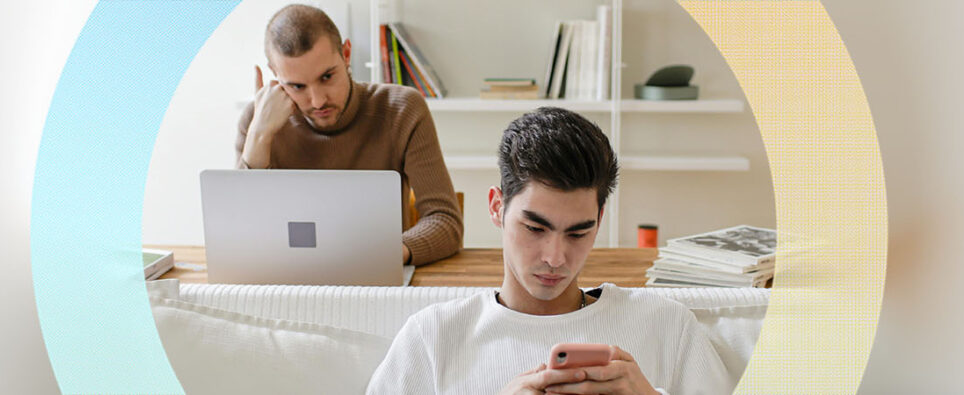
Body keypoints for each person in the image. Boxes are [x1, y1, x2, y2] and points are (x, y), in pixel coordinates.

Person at [366, 107, 731, 394]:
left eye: (578, 233)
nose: (555, 258)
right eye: (535, 228)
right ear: (497, 207)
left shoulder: (667, 325)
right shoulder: (434, 337)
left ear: (599, 219)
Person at [235, 4, 462, 265]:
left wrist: (388, 255)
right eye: (297, 86)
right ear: (275, 75)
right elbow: (238, 236)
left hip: (374, 272)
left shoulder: (402, 109)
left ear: (346, 54)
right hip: (283, 277)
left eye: (327, 77)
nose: (317, 100)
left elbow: (445, 221)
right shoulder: (258, 121)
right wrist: (259, 136)